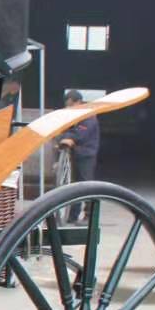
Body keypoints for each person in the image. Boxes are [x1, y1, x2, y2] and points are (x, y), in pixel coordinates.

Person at [59, 90, 99, 223]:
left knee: (87, 186)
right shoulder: (75, 115)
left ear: (78, 102)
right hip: (76, 154)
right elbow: (66, 130)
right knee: (75, 187)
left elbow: (80, 134)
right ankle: (73, 216)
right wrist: (65, 138)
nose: (68, 107)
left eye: (70, 105)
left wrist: (69, 138)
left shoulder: (88, 116)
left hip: (86, 155)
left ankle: (89, 216)